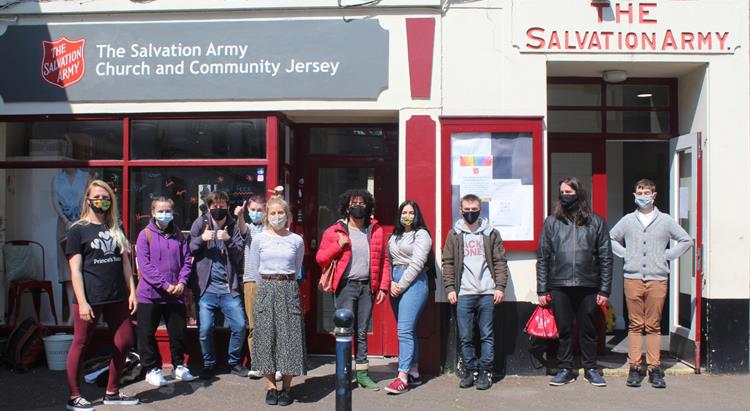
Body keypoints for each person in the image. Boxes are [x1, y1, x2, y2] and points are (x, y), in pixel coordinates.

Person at [65, 180, 139, 410]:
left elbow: (125, 262)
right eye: (97, 196)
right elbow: (75, 270)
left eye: (106, 197)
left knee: (125, 340)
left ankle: (112, 392)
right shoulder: (77, 230)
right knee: (80, 343)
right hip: (90, 297)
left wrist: (132, 291)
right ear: (87, 199)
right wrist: (83, 302)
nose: (101, 201)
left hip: (116, 295)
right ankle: (75, 396)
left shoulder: (116, 227)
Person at [610, 179, 692, 389]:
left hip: (657, 278)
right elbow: (611, 238)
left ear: (654, 195)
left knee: (653, 325)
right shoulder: (628, 220)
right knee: (635, 324)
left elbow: (686, 240)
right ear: (634, 194)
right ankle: (635, 367)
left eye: (646, 192)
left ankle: (655, 368)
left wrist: (666, 255)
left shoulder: (665, 220)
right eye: (639, 192)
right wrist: (626, 254)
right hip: (633, 277)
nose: (642, 195)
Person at [536, 177, 612, 387]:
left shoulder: (596, 222)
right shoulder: (552, 222)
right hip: (559, 284)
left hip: (588, 284)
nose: (565, 196)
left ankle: (590, 368)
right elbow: (543, 257)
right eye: (562, 192)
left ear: (579, 194)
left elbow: (606, 257)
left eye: (569, 192)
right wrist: (542, 288)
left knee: (588, 330)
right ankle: (565, 368)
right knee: (565, 330)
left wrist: (604, 289)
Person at [315, 189, 390, 391]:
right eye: (354, 203)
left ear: (368, 207)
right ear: (346, 207)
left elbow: (383, 260)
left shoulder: (376, 230)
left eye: (362, 203)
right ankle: (345, 374)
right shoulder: (334, 231)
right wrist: (337, 246)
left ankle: (363, 374)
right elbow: (320, 258)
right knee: (345, 331)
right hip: (346, 287)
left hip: (367, 287)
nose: (358, 206)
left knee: (362, 331)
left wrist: (383, 286)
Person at [442, 194, 508, 390]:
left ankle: (486, 372)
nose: (471, 213)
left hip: (487, 292)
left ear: (480, 210)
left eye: (474, 209)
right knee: (465, 336)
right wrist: (450, 288)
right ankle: (472, 371)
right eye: (467, 210)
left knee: (487, 334)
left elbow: (500, 261)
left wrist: (500, 287)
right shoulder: (454, 234)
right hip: (464, 293)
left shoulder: (491, 233)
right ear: (460, 211)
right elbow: (448, 263)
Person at [246, 196, 306, 406]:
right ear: (266, 216)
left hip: (288, 288)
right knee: (266, 338)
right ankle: (271, 386)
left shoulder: (296, 240)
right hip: (266, 289)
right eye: (273, 213)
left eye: (281, 213)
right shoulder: (259, 239)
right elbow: (255, 269)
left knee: (289, 339)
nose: (277, 217)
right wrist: (267, 288)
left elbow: (297, 267)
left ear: (287, 215)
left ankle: (287, 388)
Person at [189, 190, 249, 379]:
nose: (219, 209)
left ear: (227, 207)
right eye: (215, 206)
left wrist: (229, 240)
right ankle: (209, 364)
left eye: (222, 206)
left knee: (239, 325)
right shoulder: (201, 224)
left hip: (228, 289)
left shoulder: (233, 226)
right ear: (209, 207)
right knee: (205, 329)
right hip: (206, 289)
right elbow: (188, 248)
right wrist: (201, 239)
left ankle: (234, 362)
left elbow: (239, 255)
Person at [135, 197, 194, 386]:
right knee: (146, 334)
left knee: (178, 334)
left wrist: (182, 281)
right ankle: (152, 368)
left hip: (175, 294)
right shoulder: (145, 235)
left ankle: (179, 366)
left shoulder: (178, 234)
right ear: (153, 212)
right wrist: (165, 284)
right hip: (150, 295)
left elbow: (187, 260)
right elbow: (145, 266)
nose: (164, 214)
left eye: (168, 210)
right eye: (160, 211)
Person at [384, 200, 433, 395]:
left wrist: (401, 284)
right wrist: (390, 282)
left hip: (414, 283)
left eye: (411, 212)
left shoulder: (422, 235)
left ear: (417, 214)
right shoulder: (395, 235)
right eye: (404, 212)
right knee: (408, 329)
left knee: (403, 330)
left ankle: (402, 377)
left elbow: (417, 263)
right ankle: (413, 370)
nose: (407, 216)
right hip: (395, 281)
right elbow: (388, 260)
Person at [52, 168, 90, 325]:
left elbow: (89, 199)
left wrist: (81, 219)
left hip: (83, 221)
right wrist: (65, 220)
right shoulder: (57, 178)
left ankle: (85, 308)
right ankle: (72, 315)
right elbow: (54, 201)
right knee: (67, 269)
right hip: (64, 224)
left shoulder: (86, 177)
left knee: (85, 264)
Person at [234, 194, 267, 379]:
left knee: (271, 324)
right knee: (254, 324)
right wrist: (240, 216)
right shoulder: (249, 229)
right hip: (251, 280)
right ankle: (257, 363)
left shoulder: (270, 228)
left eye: (259, 210)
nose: (255, 213)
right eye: (252, 210)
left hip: (270, 279)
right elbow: (242, 229)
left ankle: (273, 362)